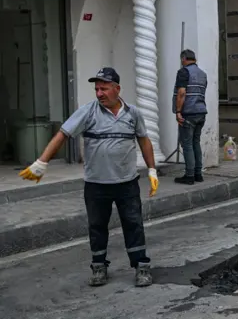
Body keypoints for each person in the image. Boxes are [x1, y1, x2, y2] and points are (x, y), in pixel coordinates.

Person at [19, 67, 159, 288]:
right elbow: (63, 133)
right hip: (96, 185)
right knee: (97, 226)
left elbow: (144, 140)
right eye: (97, 89)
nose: (99, 93)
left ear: (117, 89)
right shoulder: (88, 112)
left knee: (133, 224)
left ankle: (141, 266)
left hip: (127, 183)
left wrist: (152, 170)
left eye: (104, 88)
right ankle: (99, 267)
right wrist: (41, 162)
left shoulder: (133, 114)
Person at [173, 49, 208, 185]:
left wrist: (178, 111)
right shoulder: (203, 74)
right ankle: (198, 174)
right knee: (195, 142)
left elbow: (182, 93)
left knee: (187, 144)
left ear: (183, 59)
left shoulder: (183, 72)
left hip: (188, 113)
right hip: (201, 112)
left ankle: (189, 175)